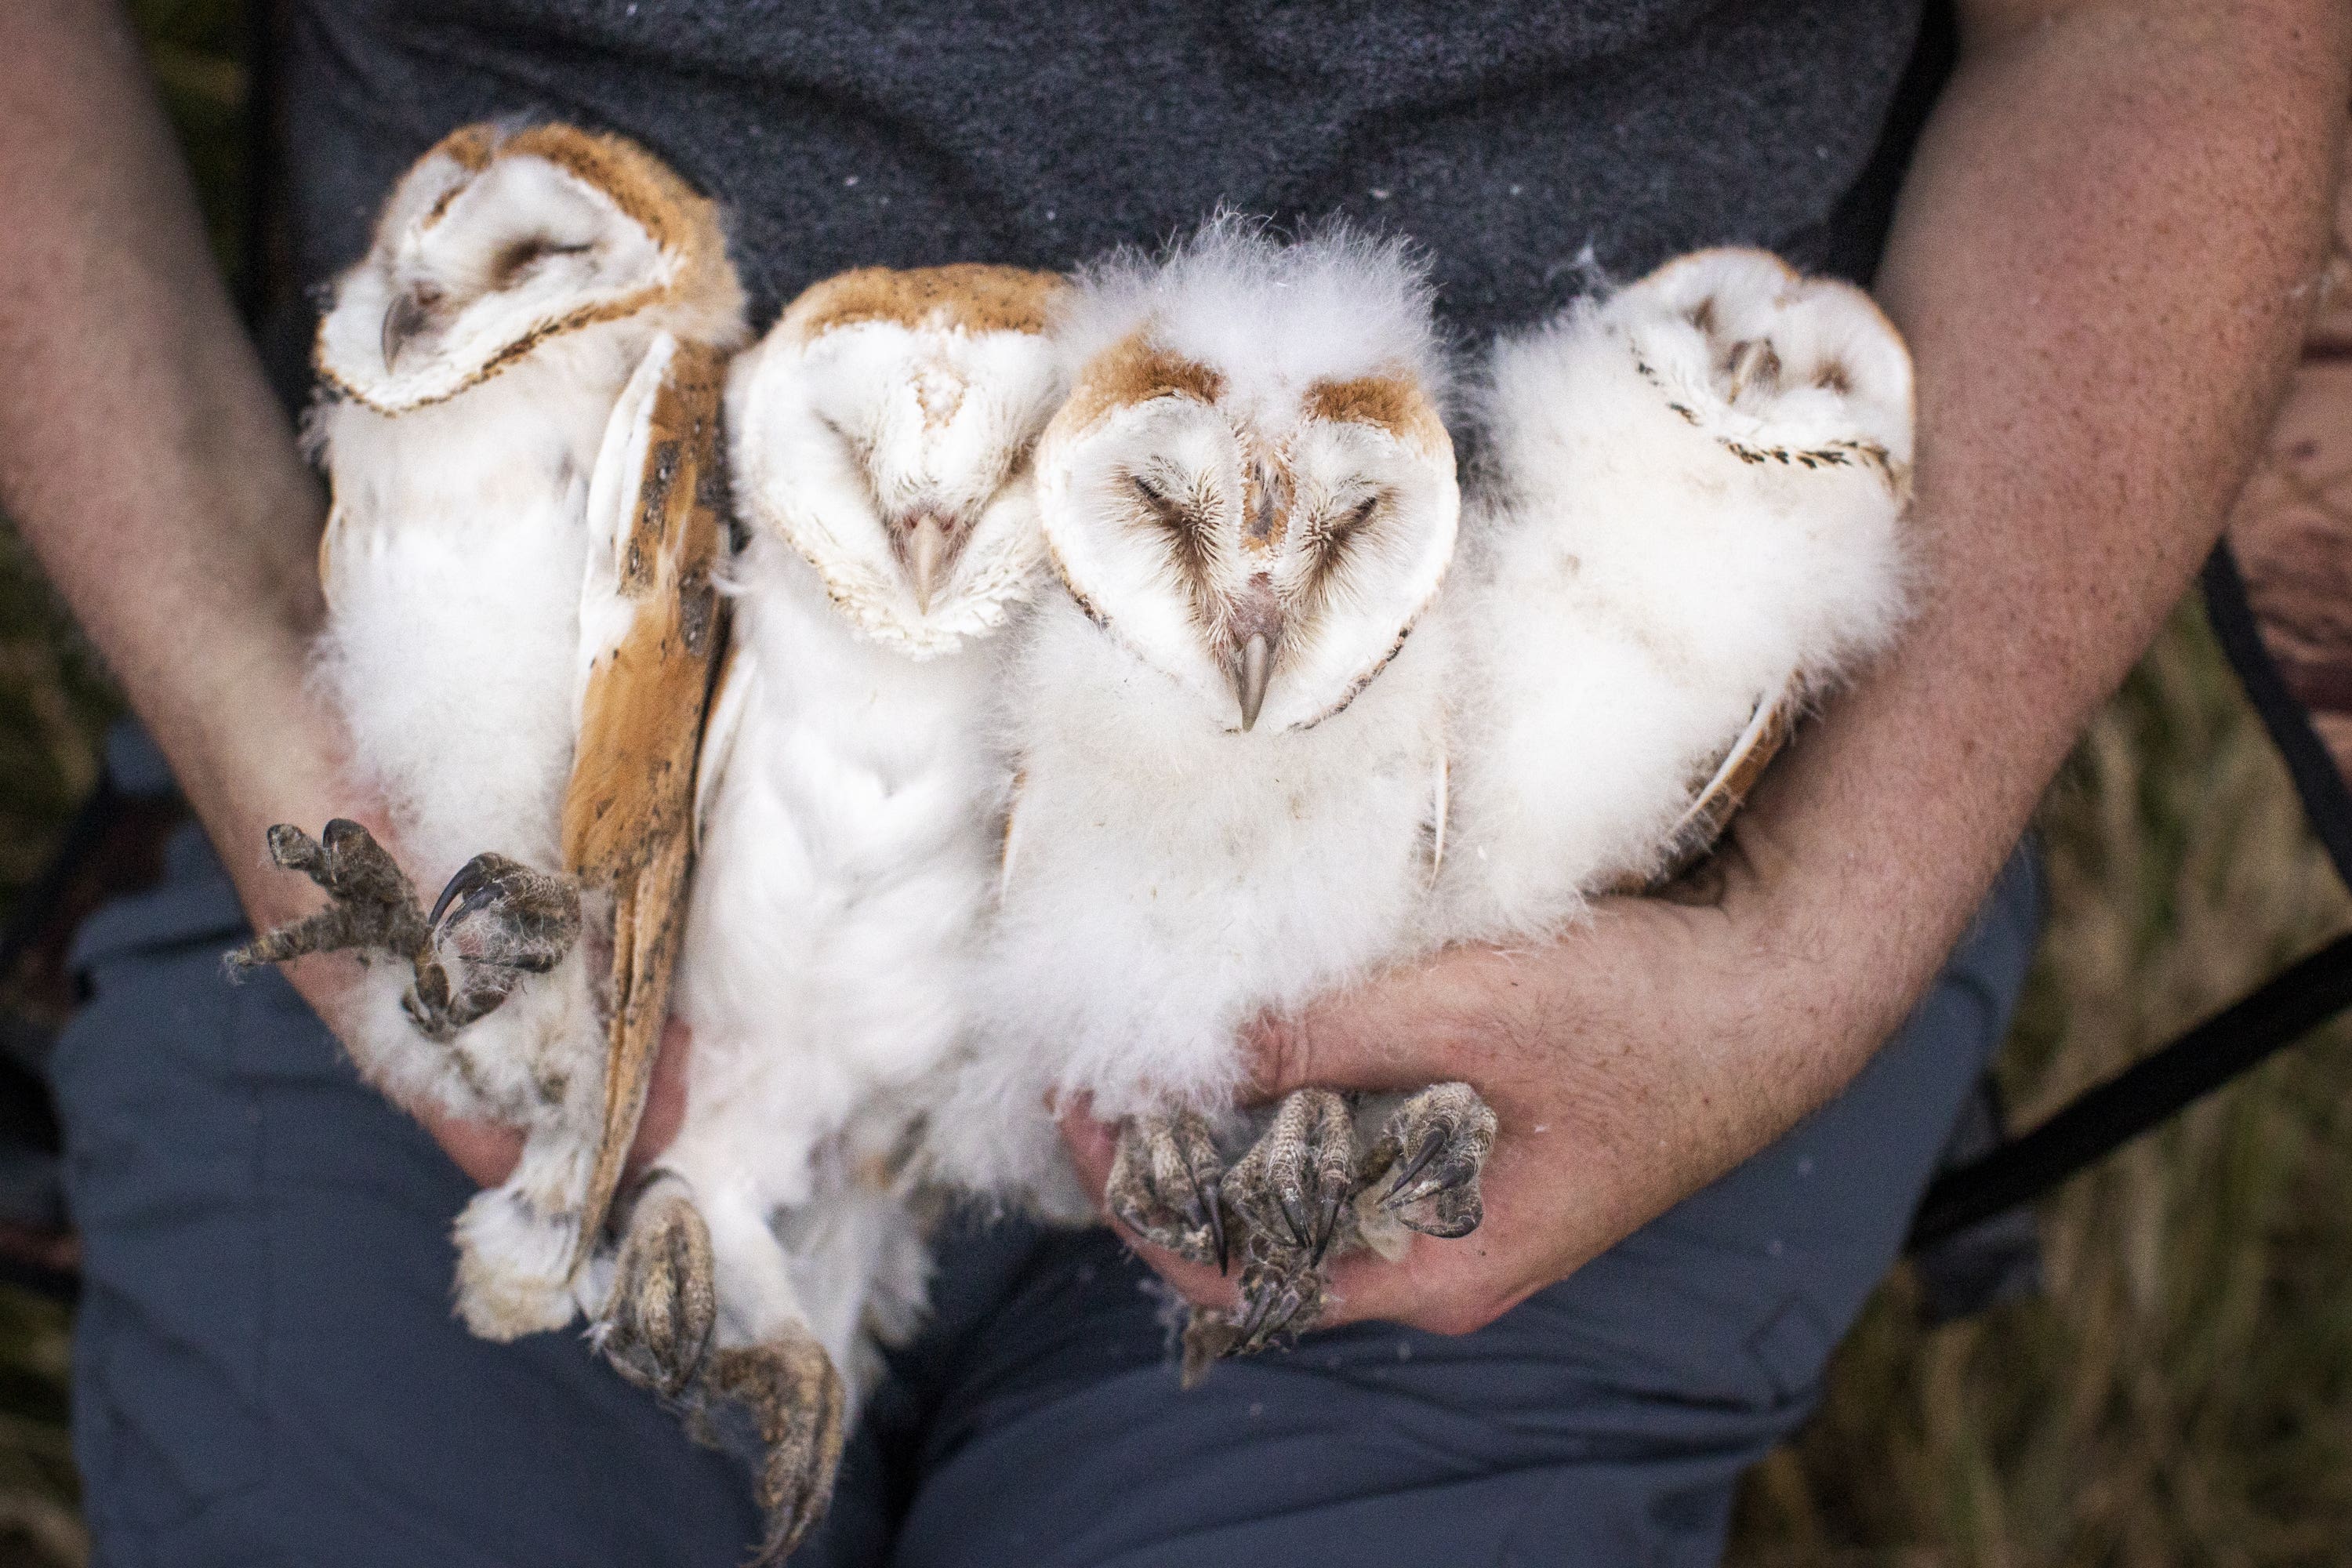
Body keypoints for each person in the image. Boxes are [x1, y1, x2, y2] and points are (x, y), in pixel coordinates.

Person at [1, 2, 2342, 1563]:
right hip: (472, 824)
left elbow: (2171, 41)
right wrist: (245, 672)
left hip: (1541, 943)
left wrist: (1816, 940)